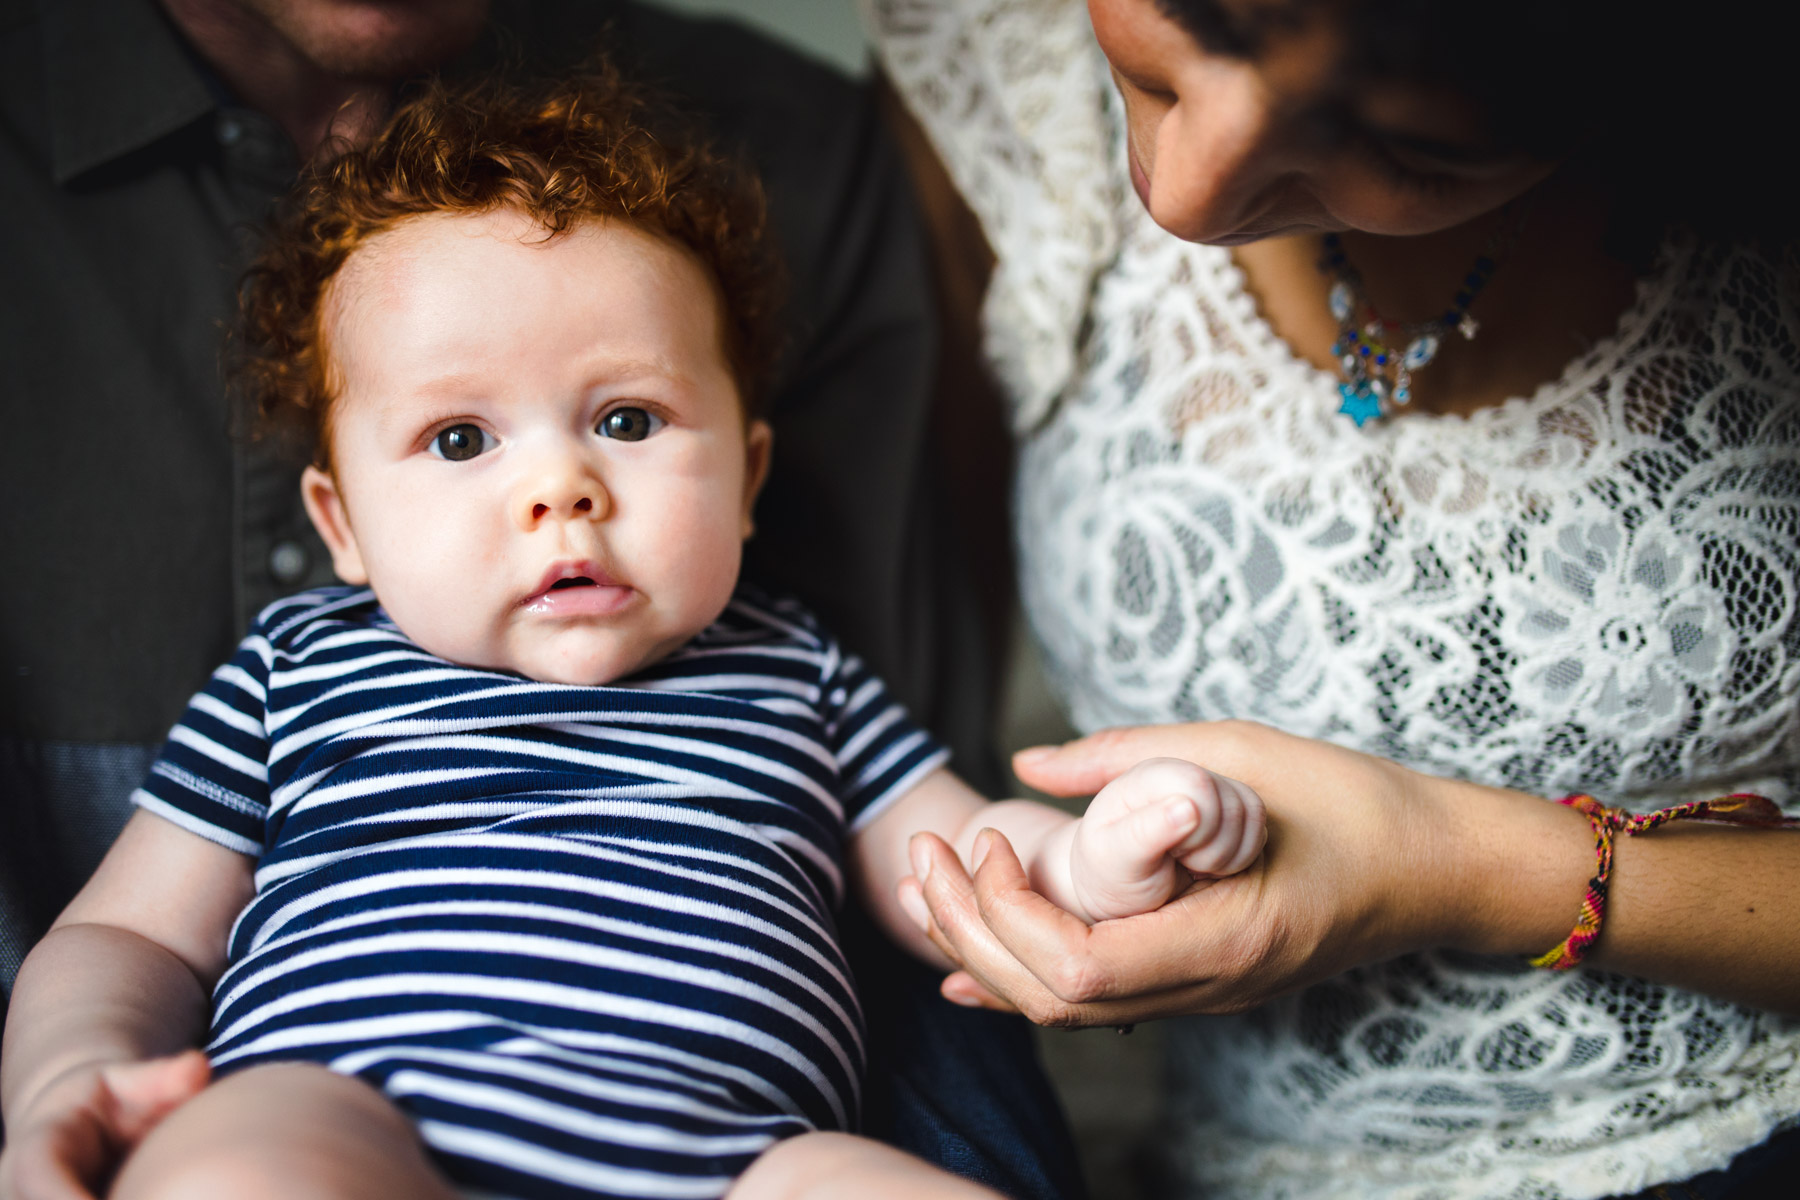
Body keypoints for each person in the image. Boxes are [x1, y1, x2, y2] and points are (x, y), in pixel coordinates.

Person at [0, 67, 1270, 1200]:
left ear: (750, 475)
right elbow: (132, 933)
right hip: (357, 1118)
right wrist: (69, 1077)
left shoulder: (798, 677)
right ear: (342, 524)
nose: (560, 488)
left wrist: (1101, 863)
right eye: (460, 440)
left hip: (735, 1159)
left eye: (627, 420)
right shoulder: (297, 668)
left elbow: (963, 865)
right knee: (232, 1168)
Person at [863, 0, 1800, 1196]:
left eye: (1413, 148)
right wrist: (1038, 880)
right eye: (1190, 24)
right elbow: (923, 685)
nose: (1188, 196)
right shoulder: (1007, 75)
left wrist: (1454, 868)